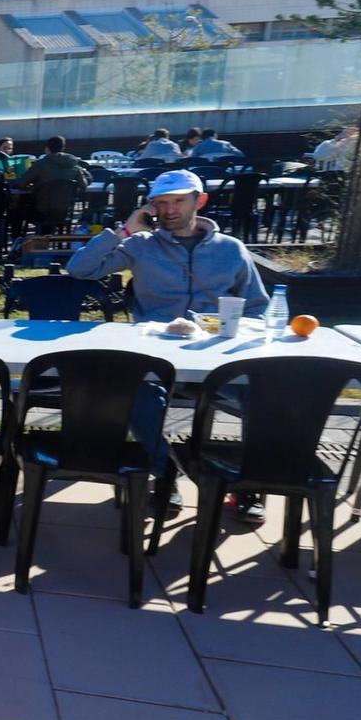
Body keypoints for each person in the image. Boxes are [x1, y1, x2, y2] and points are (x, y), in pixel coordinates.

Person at [66, 168, 271, 520]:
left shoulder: (231, 250)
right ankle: (164, 473)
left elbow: (259, 308)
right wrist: (125, 229)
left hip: (216, 356)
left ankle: (247, 484)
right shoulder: (140, 245)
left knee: (268, 396)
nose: (169, 210)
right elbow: (80, 269)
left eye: (178, 201)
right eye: (161, 203)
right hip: (155, 355)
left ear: (199, 201)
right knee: (136, 396)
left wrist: (236, 328)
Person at [20, 134, 91, 232]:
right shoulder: (74, 165)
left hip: (41, 210)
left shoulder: (41, 164)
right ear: (63, 148)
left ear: (47, 149)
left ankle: (17, 239)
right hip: (64, 211)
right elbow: (83, 185)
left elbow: (22, 183)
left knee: (16, 209)